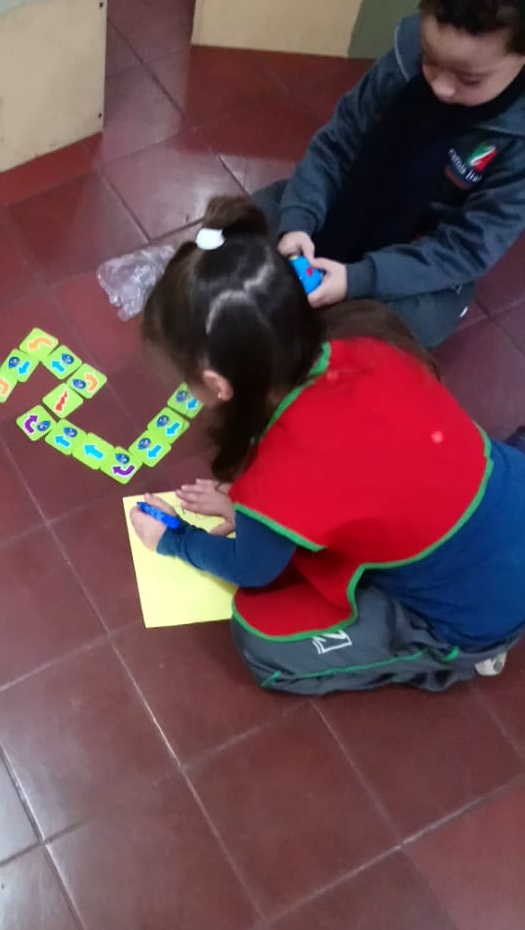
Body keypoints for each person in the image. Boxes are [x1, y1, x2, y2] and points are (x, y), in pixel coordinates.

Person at [130, 197, 525, 695]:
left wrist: (176, 540)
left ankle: (462, 653)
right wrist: (253, 511)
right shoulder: (367, 337)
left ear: (217, 384)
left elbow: (251, 570)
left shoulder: (274, 477)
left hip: (483, 609)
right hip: (511, 489)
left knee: (261, 640)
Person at [255, 0, 525, 348]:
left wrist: (360, 279)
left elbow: (464, 249)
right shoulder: (404, 60)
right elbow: (337, 145)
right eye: (430, 59)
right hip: (355, 203)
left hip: (421, 251)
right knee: (254, 219)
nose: (440, 87)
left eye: (468, 78)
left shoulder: (515, 139)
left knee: (399, 331)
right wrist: (298, 221)